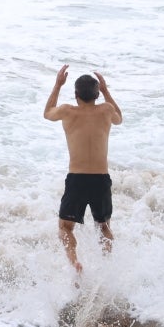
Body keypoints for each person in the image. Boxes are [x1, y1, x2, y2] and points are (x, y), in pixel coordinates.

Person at [43, 65, 122, 272]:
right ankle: (107, 267)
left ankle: (74, 262)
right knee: (103, 226)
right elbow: (119, 119)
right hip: (101, 179)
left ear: (76, 94)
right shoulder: (106, 110)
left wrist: (58, 84)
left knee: (65, 228)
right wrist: (106, 91)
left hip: (77, 179)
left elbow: (47, 113)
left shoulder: (67, 111)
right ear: (97, 94)